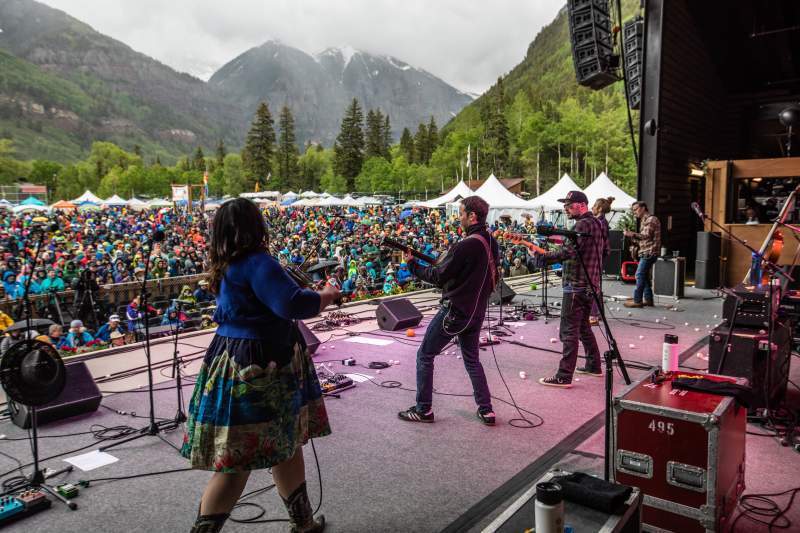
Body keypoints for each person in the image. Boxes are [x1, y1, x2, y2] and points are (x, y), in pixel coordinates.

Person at [182, 198, 340, 533]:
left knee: (285, 443)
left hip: (233, 357)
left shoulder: (229, 264)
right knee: (238, 462)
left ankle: (304, 523)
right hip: (260, 364)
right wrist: (326, 295)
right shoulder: (258, 262)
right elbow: (292, 304)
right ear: (256, 225)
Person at [398, 196, 499, 425]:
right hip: (477, 312)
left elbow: (438, 276)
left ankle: (424, 409)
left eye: (461, 213)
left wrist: (412, 265)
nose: (459, 217)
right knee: (472, 360)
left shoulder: (465, 245)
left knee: (425, 355)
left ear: (472, 216)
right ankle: (486, 409)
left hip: (455, 312)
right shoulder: (491, 242)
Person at [526, 191, 604, 386]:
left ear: (582, 205)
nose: (565, 208)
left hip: (576, 285)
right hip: (590, 284)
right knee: (584, 327)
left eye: (570, 204)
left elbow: (568, 252)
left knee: (568, 331)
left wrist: (539, 257)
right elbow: (580, 249)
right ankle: (594, 365)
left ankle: (564, 375)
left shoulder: (582, 225)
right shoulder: (596, 223)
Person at [624, 201, 661, 308]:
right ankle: (649, 300)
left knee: (639, 275)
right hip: (646, 251)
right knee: (644, 276)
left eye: (636, 209)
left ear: (643, 208)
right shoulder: (644, 220)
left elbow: (646, 235)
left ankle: (637, 300)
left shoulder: (651, 219)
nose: (634, 212)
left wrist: (631, 234)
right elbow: (644, 239)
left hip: (650, 252)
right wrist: (633, 238)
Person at [589, 197, 613, 325]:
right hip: (601, 255)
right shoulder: (602, 221)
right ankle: (598, 313)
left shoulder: (599, 222)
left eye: (593, 206)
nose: (591, 208)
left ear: (598, 209)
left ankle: (593, 315)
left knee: (593, 284)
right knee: (596, 284)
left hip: (598, 255)